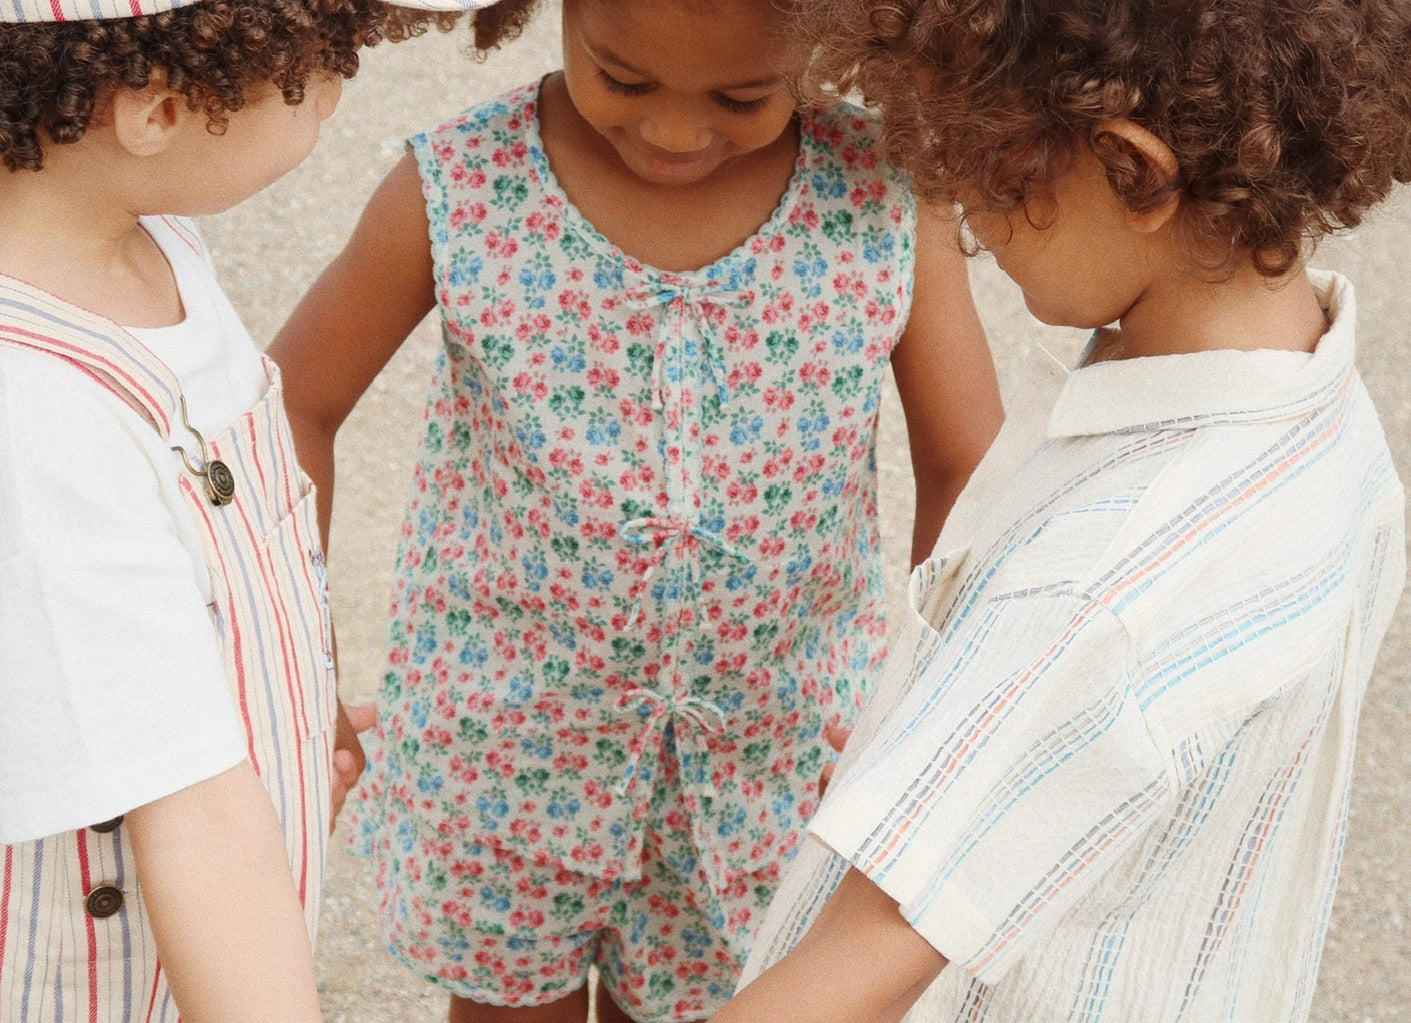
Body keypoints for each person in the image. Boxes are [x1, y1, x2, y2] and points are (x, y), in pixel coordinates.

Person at [716, 1, 1411, 1022]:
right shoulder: (1327, 422)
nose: (963, 212)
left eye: (979, 159)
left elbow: (854, 971)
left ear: (1135, 170)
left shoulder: (1095, 591)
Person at [266, 0, 1003, 1019]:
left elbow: (966, 462)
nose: (673, 131)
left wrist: (926, 711)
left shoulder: (882, 200)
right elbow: (294, 401)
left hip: (769, 764)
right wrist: (295, 666)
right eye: (621, 78)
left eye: (742, 97)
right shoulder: (462, 188)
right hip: (508, 756)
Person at [0, 0, 495, 1019]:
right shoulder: (43, 423)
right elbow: (201, 826)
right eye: (322, 63)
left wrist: (287, 718)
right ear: (158, 108)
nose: (341, 87)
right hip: (118, 972)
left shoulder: (145, 246)